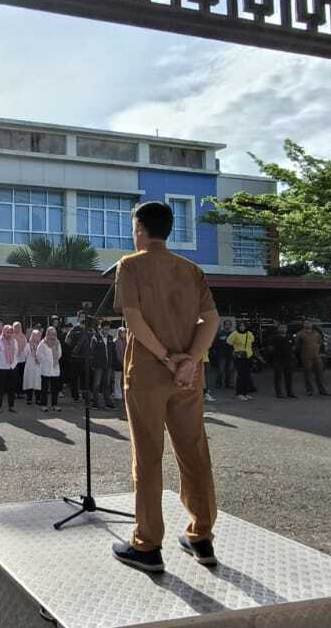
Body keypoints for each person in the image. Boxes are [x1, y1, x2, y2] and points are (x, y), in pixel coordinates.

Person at [112, 200, 221, 574]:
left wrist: (165, 357)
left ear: (139, 228)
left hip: (147, 374)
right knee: (194, 452)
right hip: (189, 377)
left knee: (148, 455)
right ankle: (201, 535)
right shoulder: (191, 270)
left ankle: (147, 544)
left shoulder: (130, 265)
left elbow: (134, 319)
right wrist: (190, 359)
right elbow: (211, 318)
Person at [295, 321, 331, 396]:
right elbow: (297, 345)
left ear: (312, 324)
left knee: (319, 373)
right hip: (306, 357)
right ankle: (309, 390)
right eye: (306, 323)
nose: (308, 324)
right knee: (307, 374)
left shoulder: (316, 333)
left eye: (309, 323)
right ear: (303, 324)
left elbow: (321, 342)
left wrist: (319, 350)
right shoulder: (300, 334)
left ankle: (322, 390)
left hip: (316, 356)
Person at [0, 323, 18, 413]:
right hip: (1, 368)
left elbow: (16, 353)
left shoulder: (14, 341)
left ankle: (11, 406)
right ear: (3, 332)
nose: (9, 334)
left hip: (12, 367)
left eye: (10, 332)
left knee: (11, 388)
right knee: (0, 388)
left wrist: (13, 363)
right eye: (7, 332)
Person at [88, 322, 116, 409]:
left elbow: (112, 352)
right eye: (105, 329)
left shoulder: (110, 338)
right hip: (98, 365)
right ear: (101, 328)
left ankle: (108, 402)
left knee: (107, 384)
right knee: (96, 384)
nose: (107, 331)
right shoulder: (95, 337)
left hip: (108, 365)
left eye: (108, 329)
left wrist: (113, 363)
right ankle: (95, 403)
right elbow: (91, 352)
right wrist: (92, 364)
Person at [65, 319, 93, 403]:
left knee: (86, 378)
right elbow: (67, 341)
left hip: (86, 358)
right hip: (75, 357)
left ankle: (85, 395)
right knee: (74, 378)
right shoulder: (73, 330)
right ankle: (75, 395)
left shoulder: (90, 330)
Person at [227, 322, 256, 401]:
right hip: (239, 357)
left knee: (247, 375)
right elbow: (228, 343)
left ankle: (245, 393)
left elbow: (252, 342)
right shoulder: (235, 334)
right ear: (238, 327)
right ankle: (239, 393)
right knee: (240, 375)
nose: (242, 327)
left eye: (243, 326)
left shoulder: (249, 334)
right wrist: (234, 350)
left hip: (248, 356)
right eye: (240, 326)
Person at [268, 324, 298, 399]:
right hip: (278, 359)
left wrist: (291, 352)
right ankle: (279, 393)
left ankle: (289, 392)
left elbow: (294, 346)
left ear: (287, 329)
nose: (283, 329)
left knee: (289, 377)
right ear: (278, 329)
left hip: (288, 359)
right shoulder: (274, 337)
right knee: (278, 377)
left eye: (284, 327)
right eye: (281, 327)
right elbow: (270, 348)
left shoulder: (290, 337)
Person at [39, 327, 62, 411]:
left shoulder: (57, 342)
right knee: (44, 388)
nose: (52, 335)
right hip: (45, 368)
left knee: (54, 389)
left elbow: (60, 353)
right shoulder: (43, 343)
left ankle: (54, 405)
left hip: (55, 368)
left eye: (54, 333)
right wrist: (46, 361)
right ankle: (43, 405)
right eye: (51, 333)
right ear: (47, 333)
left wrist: (54, 359)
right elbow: (39, 354)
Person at [211, 320, 235, 395]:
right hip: (221, 355)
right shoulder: (219, 333)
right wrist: (214, 352)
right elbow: (214, 343)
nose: (227, 326)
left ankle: (228, 384)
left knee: (230, 370)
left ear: (230, 326)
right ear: (224, 325)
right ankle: (218, 383)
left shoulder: (233, 334)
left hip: (230, 355)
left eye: (229, 325)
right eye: (226, 324)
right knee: (221, 369)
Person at [22, 328, 43, 406]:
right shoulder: (27, 345)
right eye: (35, 336)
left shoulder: (41, 345)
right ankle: (29, 399)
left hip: (38, 366)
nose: (36, 337)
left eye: (38, 336)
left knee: (38, 382)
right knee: (29, 382)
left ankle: (38, 399)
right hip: (30, 366)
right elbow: (24, 355)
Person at [112, 327, 128, 407]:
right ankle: (117, 396)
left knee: (123, 381)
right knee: (117, 380)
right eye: (122, 332)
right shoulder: (115, 342)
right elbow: (115, 354)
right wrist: (120, 361)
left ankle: (123, 394)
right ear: (119, 333)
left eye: (125, 332)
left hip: (125, 364)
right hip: (117, 364)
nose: (124, 334)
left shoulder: (127, 341)